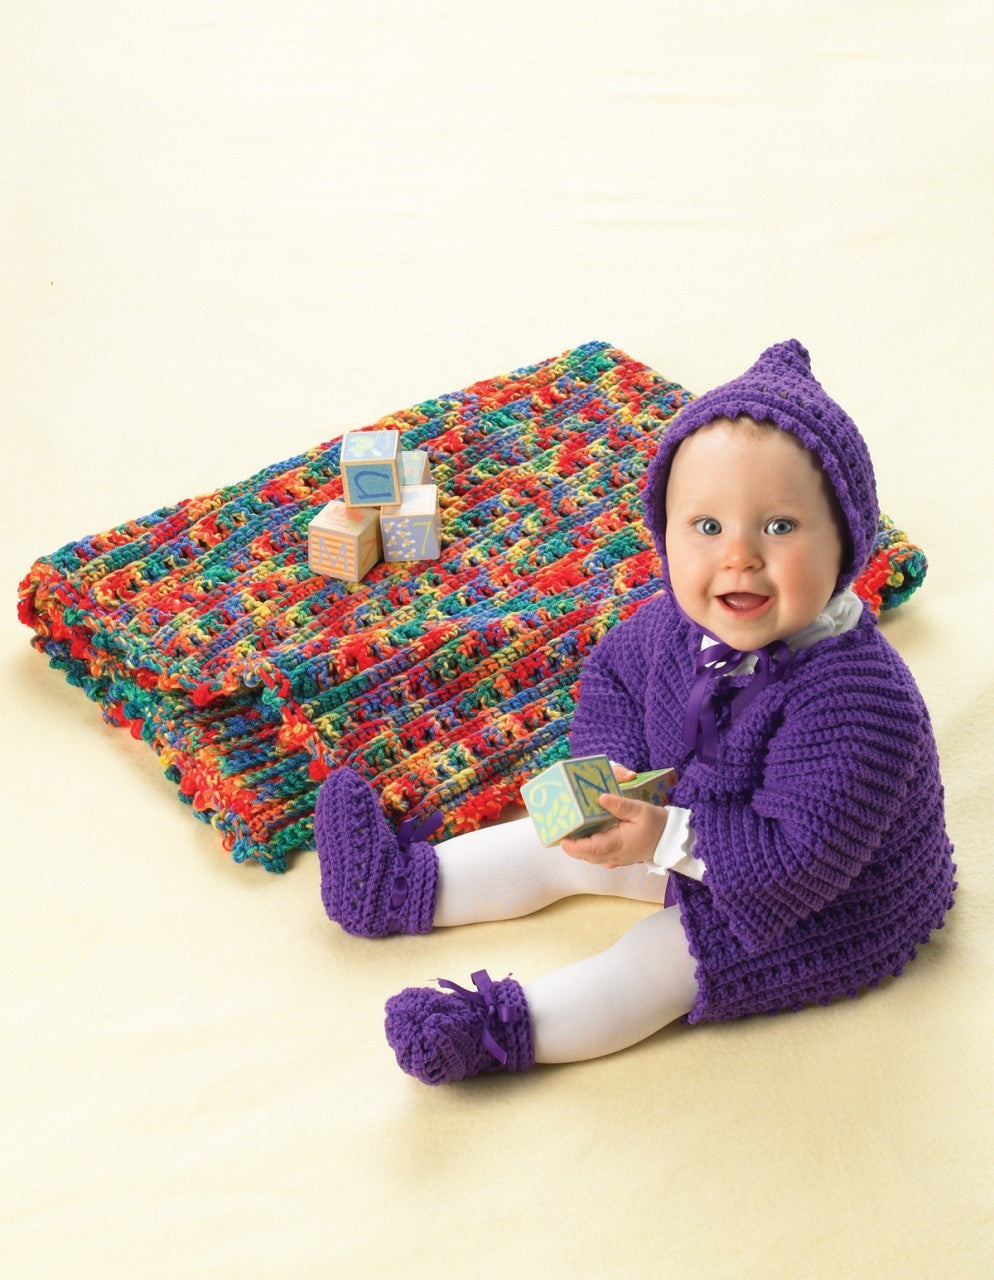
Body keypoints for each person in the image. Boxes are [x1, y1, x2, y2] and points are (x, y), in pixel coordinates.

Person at [313, 339, 956, 1086]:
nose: (738, 556)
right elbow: (616, 677)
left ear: (848, 542)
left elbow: (801, 857)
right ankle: (398, 885)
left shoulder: (856, 703)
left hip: (822, 902)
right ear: (664, 533)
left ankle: (494, 1032)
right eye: (706, 527)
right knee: (554, 838)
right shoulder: (678, 624)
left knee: (662, 959)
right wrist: (604, 773)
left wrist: (665, 834)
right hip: (689, 825)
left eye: (779, 527)